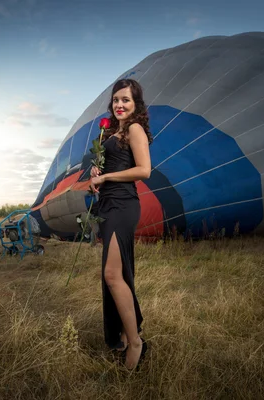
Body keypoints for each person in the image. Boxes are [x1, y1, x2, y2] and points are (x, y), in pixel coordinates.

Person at [90, 78, 152, 370]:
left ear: (136, 104)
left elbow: (144, 170)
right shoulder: (113, 133)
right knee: (118, 274)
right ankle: (127, 336)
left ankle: (136, 342)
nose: (119, 105)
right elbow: (114, 166)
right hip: (108, 204)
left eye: (126, 100)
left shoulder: (135, 129)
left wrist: (106, 177)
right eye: (116, 100)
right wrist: (96, 172)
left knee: (113, 274)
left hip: (124, 204)